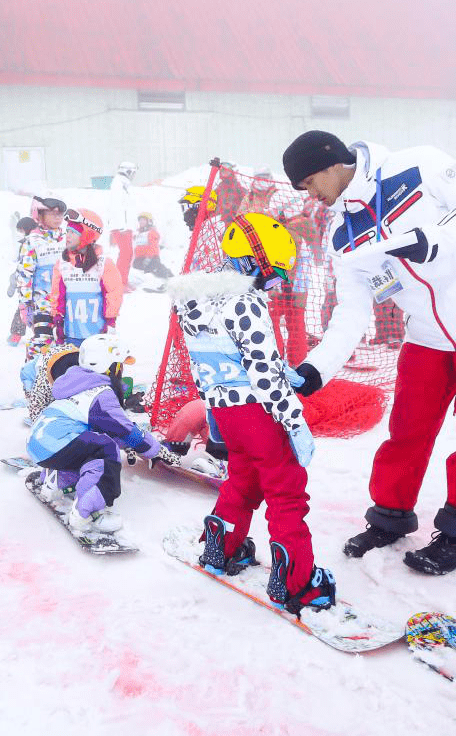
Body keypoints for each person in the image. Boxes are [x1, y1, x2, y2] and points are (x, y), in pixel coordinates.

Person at [283, 129, 456, 575]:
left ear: (331, 164)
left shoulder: (417, 164)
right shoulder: (341, 235)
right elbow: (351, 313)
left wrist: (434, 238)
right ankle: (389, 517)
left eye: (309, 183)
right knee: (405, 430)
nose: (311, 196)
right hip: (424, 337)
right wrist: (316, 368)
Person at [166, 212, 333, 615]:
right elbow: (264, 375)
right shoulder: (245, 303)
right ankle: (297, 582)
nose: (273, 287)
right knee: (285, 488)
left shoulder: (196, 300)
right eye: (272, 276)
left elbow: (215, 362)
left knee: (243, 478)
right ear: (253, 260)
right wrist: (294, 421)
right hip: (258, 413)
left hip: (224, 411)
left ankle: (222, 548)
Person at [25, 333, 161, 533]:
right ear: (108, 365)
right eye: (120, 366)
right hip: (56, 445)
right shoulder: (101, 394)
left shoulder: (74, 382)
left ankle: (54, 483)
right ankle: (85, 514)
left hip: (38, 442)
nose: (121, 372)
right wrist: (153, 448)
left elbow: (105, 427)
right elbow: (125, 430)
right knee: (106, 450)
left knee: (87, 442)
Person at [50, 208, 123, 346]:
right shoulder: (62, 265)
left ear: (87, 234)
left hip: (97, 336)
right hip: (71, 335)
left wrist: (110, 322)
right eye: (67, 231)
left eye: (73, 232)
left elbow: (114, 294)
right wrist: (57, 320)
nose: (68, 236)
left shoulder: (104, 264)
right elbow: (57, 295)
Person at [14, 195, 68, 359]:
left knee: (65, 346)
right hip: (42, 304)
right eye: (52, 214)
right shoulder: (33, 241)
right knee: (42, 344)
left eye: (60, 214)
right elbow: (25, 274)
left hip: (66, 304)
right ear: (40, 216)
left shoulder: (68, 238)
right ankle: (34, 378)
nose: (57, 218)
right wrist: (25, 304)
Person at [7, 216, 39, 346]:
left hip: (31, 283)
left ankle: (17, 335)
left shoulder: (31, 242)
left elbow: (27, 265)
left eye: (20, 230)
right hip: (33, 284)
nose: (19, 233)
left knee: (25, 310)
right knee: (30, 310)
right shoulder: (31, 240)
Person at [107, 162, 136, 289]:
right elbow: (117, 206)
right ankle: (119, 283)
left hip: (125, 225)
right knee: (125, 253)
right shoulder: (118, 184)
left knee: (127, 254)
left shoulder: (124, 183)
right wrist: (122, 226)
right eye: (133, 172)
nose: (133, 175)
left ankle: (123, 280)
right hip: (121, 226)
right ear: (128, 171)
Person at [131, 212, 172, 279]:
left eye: (143, 220)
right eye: (140, 220)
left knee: (155, 271)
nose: (141, 222)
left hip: (151, 258)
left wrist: (148, 258)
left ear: (149, 221)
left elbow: (153, 246)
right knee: (138, 272)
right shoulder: (138, 234)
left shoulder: (152, 232)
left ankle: (168, 278)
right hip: (139, 259)